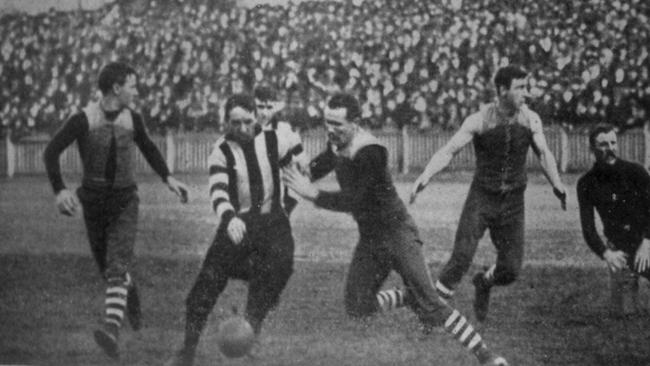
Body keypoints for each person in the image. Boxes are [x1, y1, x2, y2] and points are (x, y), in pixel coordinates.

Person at [284, 93, 508, 366]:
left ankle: (486, 355)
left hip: (397, 234)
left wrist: (313, 194)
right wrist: (298, 170)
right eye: (327, 122)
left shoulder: (371, 151)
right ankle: (407, 296)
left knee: (432, 304)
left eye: (337, 124)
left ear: (356, 122)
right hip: (371, 239)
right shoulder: (338, 143)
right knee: (357, 306)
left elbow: (358, 200)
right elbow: (320, 165)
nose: (330, 129)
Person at [43, 62, 188, 359]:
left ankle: (110, 329)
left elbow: (148, 147)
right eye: (133, 85)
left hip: (124, 202)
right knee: (108, 269)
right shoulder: (83, 119)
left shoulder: (133, 118)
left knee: (117, 266)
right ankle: (130, 295)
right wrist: (60, 190)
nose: (137, 91)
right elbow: (51, 151)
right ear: (116, 88)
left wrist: (169, 178)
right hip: (93, 203)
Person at [410, 65, 568, 322]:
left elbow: (544, 153)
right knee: (461, 258)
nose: (526, 94)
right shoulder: (479, 119)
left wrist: (557, 184)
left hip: (513, 203)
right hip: (482, 198)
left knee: (510, 270)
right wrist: (425, 176)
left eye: (526, 87)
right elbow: (449, 151)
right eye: (520, 88)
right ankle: (430, 315)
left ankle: (483, 282)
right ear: (502, 90)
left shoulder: (531, 119)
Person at [166, 93, 304, 366]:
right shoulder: (221, 150)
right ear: (226, 121)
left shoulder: (276, 140)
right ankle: (187, 352)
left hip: (273, 225)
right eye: (235, 123)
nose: (241, 129)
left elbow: (296, 178)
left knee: (280, 268)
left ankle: (251, 334)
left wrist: (286, 208)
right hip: (237, 224)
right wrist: (229, 218)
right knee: (201, 293)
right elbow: (218, 191)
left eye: (247, 121)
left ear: (257, 117)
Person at [577, 123, 650, 315]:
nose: (610, 148)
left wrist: (647, 241)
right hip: (620, 248)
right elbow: (588, 228)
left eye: (612, 142)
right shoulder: (586, 183)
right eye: (603, 144)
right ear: (592, 148)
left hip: (646, 241)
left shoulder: (636, 172)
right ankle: (628, 279)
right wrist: (606, 254)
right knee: (624, 314)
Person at [254, 86, 308, 214]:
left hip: (277, 194)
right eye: (260, 107)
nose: (264, 113)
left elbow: (302, 160)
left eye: (269, 108)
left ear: (276, 107)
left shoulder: (284, 129)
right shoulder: (246, 129)